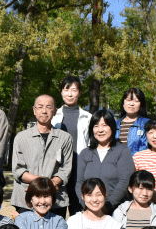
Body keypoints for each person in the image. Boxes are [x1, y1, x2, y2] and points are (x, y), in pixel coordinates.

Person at [11, 94, 73, 215]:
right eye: (40, 107)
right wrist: (44, 183)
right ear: (34, 110)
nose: (44, 111)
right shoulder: (21, 138)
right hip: (26, 199)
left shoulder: (65, 138)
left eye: (49, 107)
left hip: (56, 199)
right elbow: (18, 170)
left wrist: (50, 183)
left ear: (55, 111)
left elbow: (66, 169)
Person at [74, 109, 135, 215]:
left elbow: (124, 181)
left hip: (116, 211)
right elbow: (79, 182)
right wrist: (85, 204)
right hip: (89, 210)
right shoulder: (85, 153)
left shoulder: (122, 151)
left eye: (105, 125)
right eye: (96, 126)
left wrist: (108, 206)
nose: (100, 130)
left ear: (112, 127)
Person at [51, 76, 92, 215]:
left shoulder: (88, 117)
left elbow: (90, 143)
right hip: (58, 168)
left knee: (78, 208)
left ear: (79, 93)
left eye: (74, 90)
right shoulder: (53, 116)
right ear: (61, 92)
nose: (70, 94)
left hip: (79, 167)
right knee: (58, 208)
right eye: (66, 89)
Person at [115, 87, 150, 154]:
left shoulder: (147, 124)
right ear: (123, 102)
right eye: (128, 100)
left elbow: (146, 149)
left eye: (136, 101)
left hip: (138, 163)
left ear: (141, 104)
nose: (131, 104)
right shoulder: (114, 125)